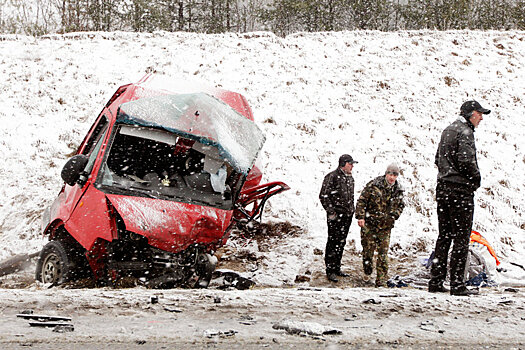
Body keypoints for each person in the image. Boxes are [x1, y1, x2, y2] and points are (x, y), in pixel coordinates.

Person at [429, 100, 490, 296]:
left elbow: (438, 158)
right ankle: (457, 284)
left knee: (444, 236)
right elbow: (466, 161)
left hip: (443, 188)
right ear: (471, 114)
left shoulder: (448, 130)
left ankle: (436, 281)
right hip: (460, 192)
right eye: (479, 114)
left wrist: (447, 176)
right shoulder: (465, 132)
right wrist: (475, 180)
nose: (481, 118)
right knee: (462, 239)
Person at [355, 163, 405, 287]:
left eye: (395, 175)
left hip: (385, 226)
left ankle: (381, 280)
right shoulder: (374, 185)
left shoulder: (398, 190)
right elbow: (362, 201)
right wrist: (360, 217)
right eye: (390, 174)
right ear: (386, 174)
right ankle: (367, 269)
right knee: (368, 251)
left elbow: (401, 205)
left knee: (383, 254)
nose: (392, 177)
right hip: (370, 225)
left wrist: (394, 216)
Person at [319, 154, 358, 282]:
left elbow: (350, 197)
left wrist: (352, 211)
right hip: (336, 217)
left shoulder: (350, 178)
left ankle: (337, 268)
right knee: (333, 242)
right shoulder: (332, 177)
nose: (352, 166)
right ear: (343, 164)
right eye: (350, 163)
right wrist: (332, 212)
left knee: (341, 242)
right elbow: (323, 195)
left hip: (347, 216)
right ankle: (330, 270)